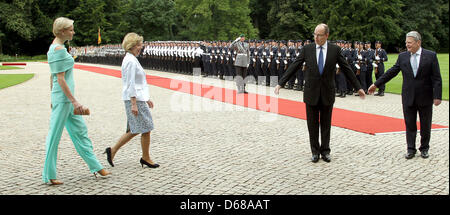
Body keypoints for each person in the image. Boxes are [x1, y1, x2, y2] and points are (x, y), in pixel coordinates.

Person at [275, 24, 365, 163]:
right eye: (315, 34)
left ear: (327, 35)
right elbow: (295, 65)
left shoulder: (335, 50)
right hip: (311, 92)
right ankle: (315, 151)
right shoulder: (307, 49)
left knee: (325, 124)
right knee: (312, 124)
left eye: (319, 35)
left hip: (327, 92)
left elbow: (346, 68)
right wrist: (281, 83)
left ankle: (325, 151)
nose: (316, 38)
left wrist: (358, 87)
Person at [43, 17, 110, 185]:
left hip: (64, 98)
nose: (73, 32)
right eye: (71, 29)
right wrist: (74, 102)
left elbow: (53, 76)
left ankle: (95, 165)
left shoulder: (58, 48)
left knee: (80, 132)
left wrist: (56, 96)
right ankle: (49, 174)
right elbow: (59, 78)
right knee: (54, 136)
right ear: (62, 31)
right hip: (65, 100)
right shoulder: (57, 49)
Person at [368, 31, 442, 159]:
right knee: (410, 124)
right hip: (408, 96)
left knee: (425, 124)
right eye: (406, 43)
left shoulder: (430, 56)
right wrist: (376, 84)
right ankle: (410, 149)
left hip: (425, 96)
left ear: (418, 42)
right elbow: (392, 72)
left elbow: (436, 78)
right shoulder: (402, 56)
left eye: (409, 43)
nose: (407, 45)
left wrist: (437, 96)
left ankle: (424, 148)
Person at [105, 33, 160, 168]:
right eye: (138, 45)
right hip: (134, 99)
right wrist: (134, 103)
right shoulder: (130, 60)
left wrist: (146, 99)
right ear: (131, 46)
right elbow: (130, 83)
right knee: (146, 127)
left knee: (135, 129)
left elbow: (138, 83)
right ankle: (145, 157)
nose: (140, 47)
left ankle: (113, 150)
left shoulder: (132, 59)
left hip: (138, 98)